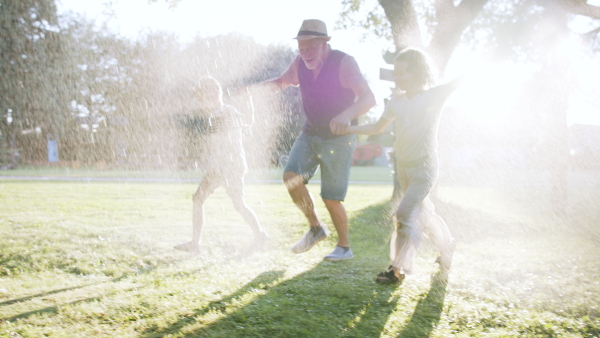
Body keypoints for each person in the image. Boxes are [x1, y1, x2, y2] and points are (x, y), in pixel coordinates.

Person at [251, 19, 376, 261]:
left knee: (331, 197)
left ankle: (344, 247)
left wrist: (347, 115)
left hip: (339, 138)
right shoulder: (299, 64)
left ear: (323, 44)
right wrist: (253, 91)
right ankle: (316, 228)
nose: (305, 53)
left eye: (310, 47)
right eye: (301, 47)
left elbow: (369, 99)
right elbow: (280, 83)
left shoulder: (344, 62)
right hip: (310, 132)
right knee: (290, 177)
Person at [337, 48, 460, 283]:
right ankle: (447, 247)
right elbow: (376, 128)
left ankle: (397, 270)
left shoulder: (434, 96)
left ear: (416, 73)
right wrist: (349, 128)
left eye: (402, 73)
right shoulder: (396, 101)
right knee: (423, 212)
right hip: (403, 167)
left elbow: (458, 82)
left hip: (425, 168)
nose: (397, 77)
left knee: (404, 214)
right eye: (396, 72)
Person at [175, 76, 268, 252]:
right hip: (223, 166)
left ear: (216, 95)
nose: (201, 104)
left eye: (203, 99)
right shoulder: (215, 114)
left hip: (229, 166)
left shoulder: (226, 112)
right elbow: (219, 142)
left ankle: (259, 234)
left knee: (223, 202)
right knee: (224, 202)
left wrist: (248, 99)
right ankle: (259, 234)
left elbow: (248, 120)